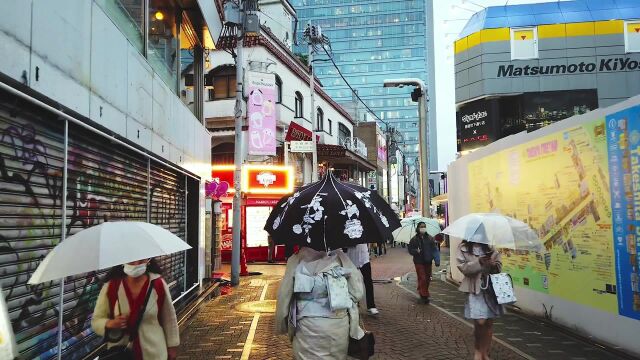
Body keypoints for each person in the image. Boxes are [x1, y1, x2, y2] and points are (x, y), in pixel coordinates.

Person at [275, 247, 366, 360]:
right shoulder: (341, 258)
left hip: (306, 324)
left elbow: (285, 294)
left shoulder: (296, 259)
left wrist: (282, 324)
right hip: (337, 324)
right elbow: (357, 293)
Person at [92, 258, 179, 360]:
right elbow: (96, 321)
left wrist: (172, 346)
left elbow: (169, 319)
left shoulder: (157, 284)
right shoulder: (111, 287)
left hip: (154, 353)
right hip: (121, 354)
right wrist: (109, 323)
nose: (136, 264)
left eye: (141, 260)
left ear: (148, 260)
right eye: (131, 260)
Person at [456, 236, 503, 360]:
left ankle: (485, 352)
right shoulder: (463, 248)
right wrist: (479, 263)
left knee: (488, 323)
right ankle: (478, 350)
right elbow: (463, 268)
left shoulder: (490, 248)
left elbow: (499, 266)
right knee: (479, 322)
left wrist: (493, 265)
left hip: (490, 289)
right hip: (474, 289)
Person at [407, 222, 440, 304]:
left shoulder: (430, 238)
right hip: (419, 262)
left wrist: (437, 260)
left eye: (424, 227)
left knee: (427, 279)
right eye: (421, 227)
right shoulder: (414, 239)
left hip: (428, 261)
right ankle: (424, 295)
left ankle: (423, 291)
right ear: (418, 228)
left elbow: (434, 249)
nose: (423, 228)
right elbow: (410, 250)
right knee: (423, 278)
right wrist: (416, 251)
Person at [346, 243, 379, 315]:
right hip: (351, 258)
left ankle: (371, 306)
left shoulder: (365, 232)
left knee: (368, 281)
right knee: (350, 281)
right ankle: (353, 302)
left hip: (364, 258)